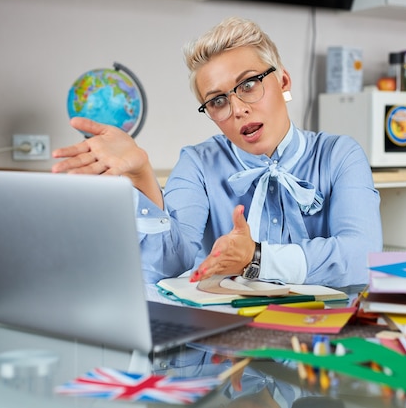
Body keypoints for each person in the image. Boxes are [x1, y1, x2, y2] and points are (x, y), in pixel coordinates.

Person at [52, 16, 382, 287]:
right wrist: (142, 176)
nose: (237, 109)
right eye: (218, 101)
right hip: (225, 345)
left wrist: (255, 257)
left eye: (249, 84)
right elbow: (167, 266)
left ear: (283, 81)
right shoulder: (197, 163)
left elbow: (362, 257)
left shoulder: (340, 155)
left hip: (323, 339)